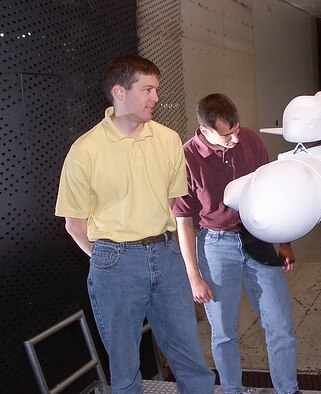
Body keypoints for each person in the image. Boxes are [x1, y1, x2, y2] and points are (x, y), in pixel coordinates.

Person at [55, 55, 215, 394]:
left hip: (168, 254)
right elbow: (74, 224)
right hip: (115, 264)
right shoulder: (85, 151)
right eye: (147, 89)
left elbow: (174, 205)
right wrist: (110, 258)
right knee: (125, 368)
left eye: (156, 89)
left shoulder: (169, 139)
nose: (155, 97)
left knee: (190, 358)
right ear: (119, 92)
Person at [173, 93, 300, 394]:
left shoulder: (252, 142)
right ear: (204, 130)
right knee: (223, 331)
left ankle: (289, 389)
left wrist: (284, 241)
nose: (234, 139)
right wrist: (194, 277)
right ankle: (232, 390)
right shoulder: (186, 157)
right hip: (215, 246)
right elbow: (183, 220)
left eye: (237, 129)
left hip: (257, 237)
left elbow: (270, 195)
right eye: (226, 134)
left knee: (280, 325)